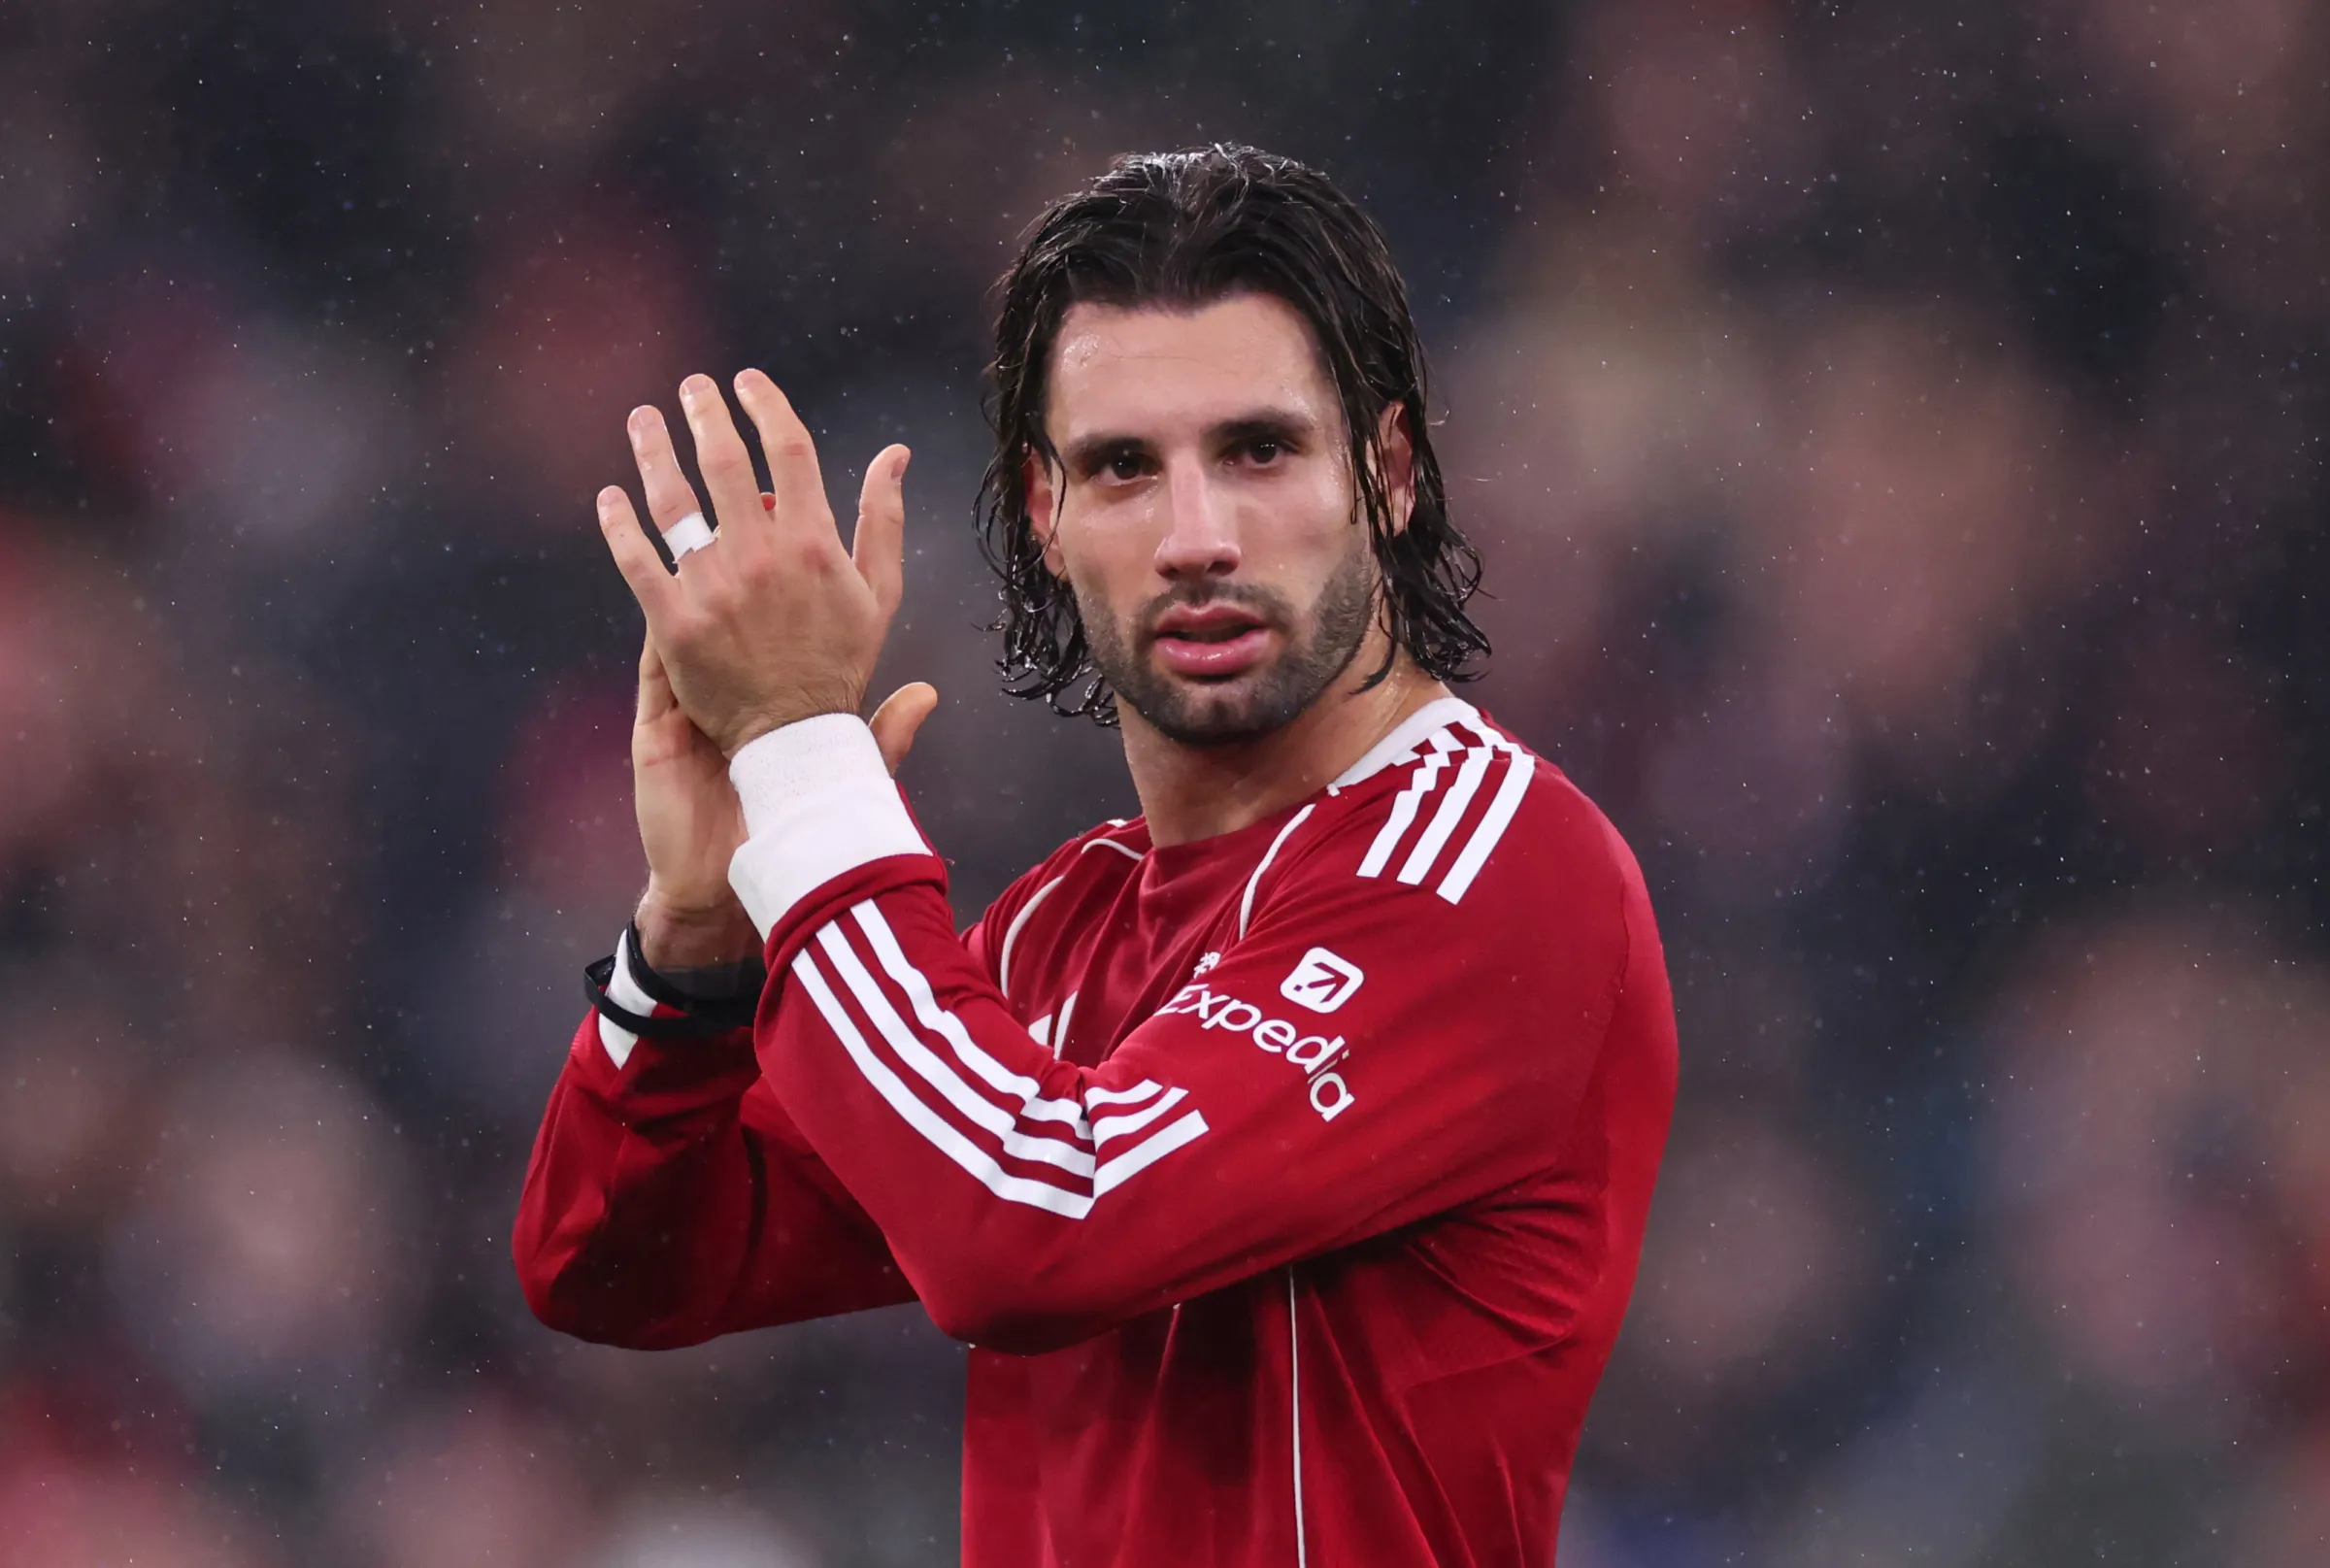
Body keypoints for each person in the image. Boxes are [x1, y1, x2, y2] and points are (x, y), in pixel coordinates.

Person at [514, 145, 1678, 1567]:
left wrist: (807, 761)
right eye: (1124, 467)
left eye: (1259, 451)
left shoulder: (1493, 869)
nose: (1196, 537)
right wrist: (698, 941)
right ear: (1045, 516)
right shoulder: (1062, 925)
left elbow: (1028, 1224)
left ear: (1385, 473)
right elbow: (613, 1264)